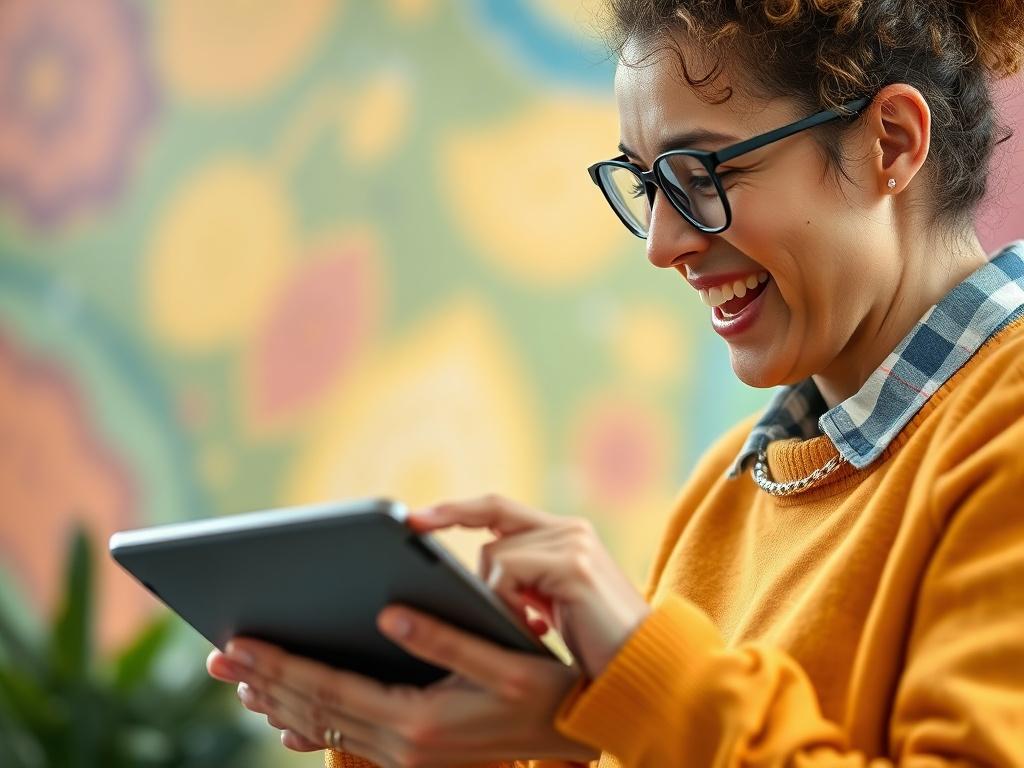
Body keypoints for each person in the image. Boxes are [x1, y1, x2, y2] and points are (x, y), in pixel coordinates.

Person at [207, 1, 1024, 766]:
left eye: (701, 175)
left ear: (890, 142)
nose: (663, 245)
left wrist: (639, 680)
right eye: (646, 186)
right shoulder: (730, 488)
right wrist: (437, 724)